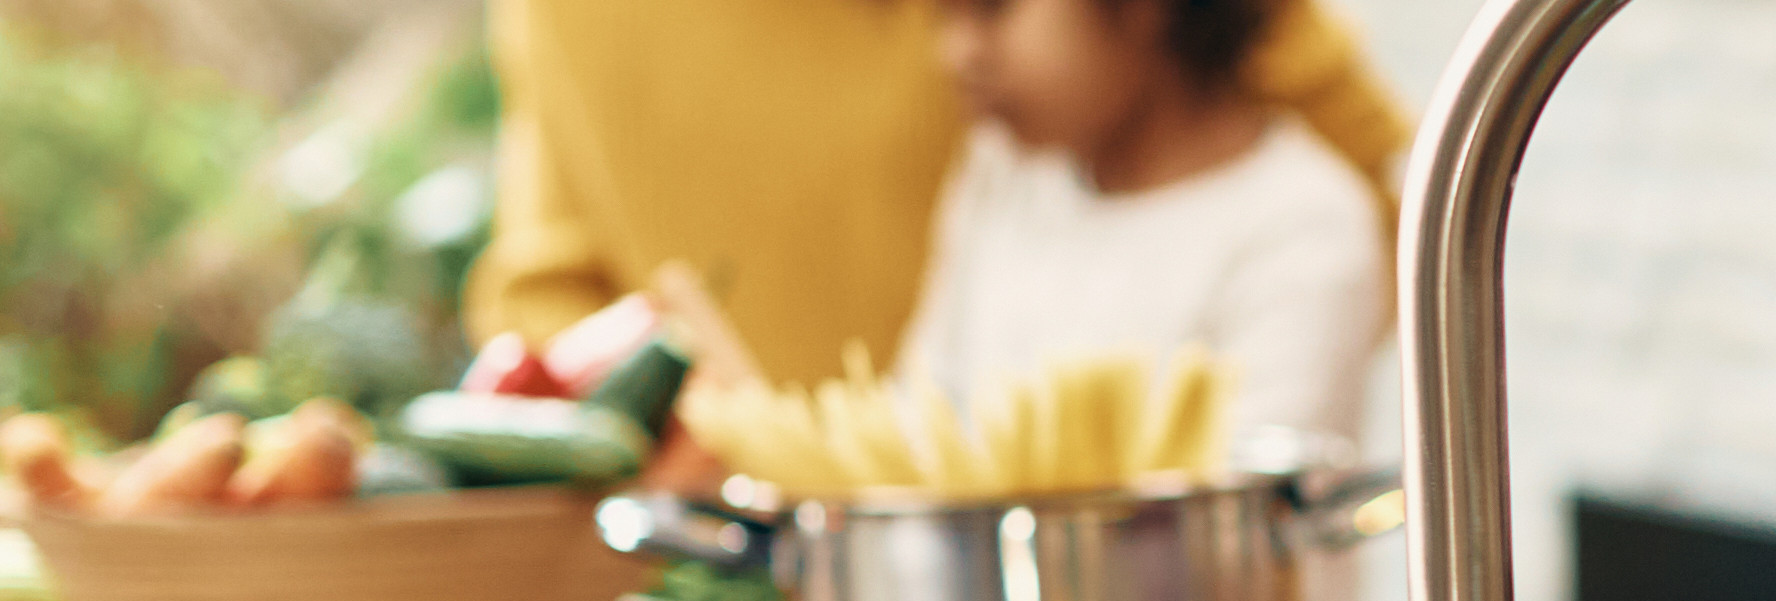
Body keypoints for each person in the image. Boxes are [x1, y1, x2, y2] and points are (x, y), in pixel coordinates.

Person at [467, 0, 1408, 387]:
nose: (957, 51)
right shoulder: (1002, 184)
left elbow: (1390, 186)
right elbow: (549, 286)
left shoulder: (1288, 212)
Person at [895, 0, 1385, 439]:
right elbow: (923, 409)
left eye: (992, 10)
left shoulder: (1303, 225)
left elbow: (1253, 505)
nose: (958, 54)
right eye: (946, 17)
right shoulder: (1001, 174)